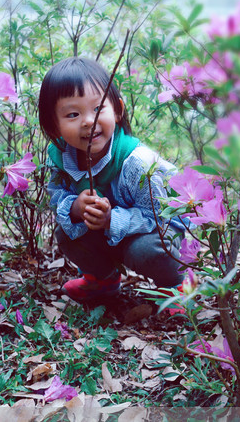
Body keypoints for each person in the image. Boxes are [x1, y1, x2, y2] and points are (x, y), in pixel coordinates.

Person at [38, 56, 185, 302]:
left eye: (97, 109)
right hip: (113, 231)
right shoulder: (63, 158)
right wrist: (75, 208)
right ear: (54, 127)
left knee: (146, 250)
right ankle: (102, 280)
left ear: (117, 110)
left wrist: (110, 219)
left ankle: (176, 286)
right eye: (73, 114)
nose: (88, 121)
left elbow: (161, 218)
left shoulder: (136, 162)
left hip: (154, 229)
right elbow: (57, 197)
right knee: (65, 232)